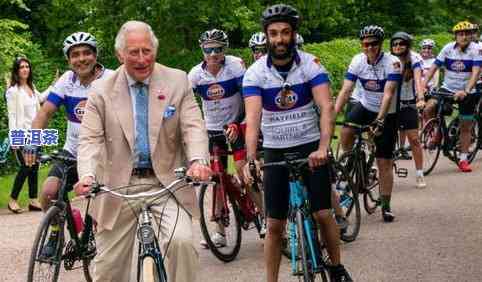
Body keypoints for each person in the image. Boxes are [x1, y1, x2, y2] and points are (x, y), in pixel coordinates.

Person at [74, 21, 212, 282]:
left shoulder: (177, 80)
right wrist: (88, 175)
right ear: (120, 55)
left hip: (166, 183)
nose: (141, 59)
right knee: (107, 270)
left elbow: (193, 126)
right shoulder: (101, 90)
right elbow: (89, 140)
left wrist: (198, 161)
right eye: (133, 52)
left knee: (182, 243)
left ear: (155, 51)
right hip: (117, 187)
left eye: (146, 51)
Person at [243, 4, 352, 282]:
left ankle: (337, 268)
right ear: (266, 36)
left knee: (323, 213)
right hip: (275, 150)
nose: (279, 39)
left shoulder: (311, 65)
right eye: (273, 33)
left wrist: (323, 147)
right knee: (274, 224)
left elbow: (326, 107)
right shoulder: (255, 73)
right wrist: (252, 158)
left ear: (293, 34)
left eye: (285, 32)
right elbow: (253, 118)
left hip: (309, 147)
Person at [189, 29, 265, 246]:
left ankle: (265, 216)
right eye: (208, 49)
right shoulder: (195, 74)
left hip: (237, 126)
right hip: (213, 130)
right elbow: (185, 103)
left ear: (226, 50)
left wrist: (237, 122)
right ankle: (220, 232)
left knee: (244, 171)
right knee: (217, 179)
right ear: (201, 49)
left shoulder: (235, 66)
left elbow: (248, 99)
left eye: (218, 49)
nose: (213, 54)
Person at [334, 25, 402, 222]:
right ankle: (351, 162)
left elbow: (388, 94)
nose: (370, 47)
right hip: (364, 105)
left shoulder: (393, 63)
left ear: (380, 44)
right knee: (346, 131)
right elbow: (346, 91)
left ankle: (386, 204)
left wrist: (380, 120)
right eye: (366, 44)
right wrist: (332, 116)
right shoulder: (358, 60)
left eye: (374, 44)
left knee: (384, 161)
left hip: (387, 112)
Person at [422, 21, 482, 172]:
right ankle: (437, 133)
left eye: (467, 34)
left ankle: (463, 159)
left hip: (467, 90)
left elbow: (476, 72)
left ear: (471, 35)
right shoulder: (448, 48)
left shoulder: (476, 49)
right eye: (461, 34)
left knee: (465, 124)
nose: (464, 37)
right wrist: (422, 84)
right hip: (448, 87)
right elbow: (433, 67)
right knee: (429, 107)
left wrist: (466, 90)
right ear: (455, 36)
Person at [5, 57, 47, 213]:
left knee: (34, 167)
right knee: (25, 167)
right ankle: (13, 200)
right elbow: (12, 116)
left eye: (27, 66)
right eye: (21, 67)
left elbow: (42, 98)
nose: (25, 69)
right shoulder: (13, 91)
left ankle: (33, 200)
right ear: (16, 70)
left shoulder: (31, 87)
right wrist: (14, 138)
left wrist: (54, 85)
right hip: (22, 134)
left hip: (35, 132)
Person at [390, 32, 427, 188]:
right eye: (395, 44)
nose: (398, 47)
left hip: (408, 102)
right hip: (390, 104)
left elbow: (418, 80)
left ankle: (419, 174)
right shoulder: (388, 59)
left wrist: (420, 98)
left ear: (408, 45)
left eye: (401, 44)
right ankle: (384, 173)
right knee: (385, 140)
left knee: (414, 139)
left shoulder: (415, 58)